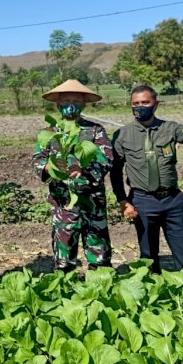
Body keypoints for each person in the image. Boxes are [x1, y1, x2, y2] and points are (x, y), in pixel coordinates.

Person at [111, 86, 183, 274]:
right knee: (148, 254)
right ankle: (152, 293)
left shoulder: (171, 128)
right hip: (142, 201)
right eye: (135, 103)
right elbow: (115, 172)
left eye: (145, 102)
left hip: (173, 201)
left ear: (156, 104)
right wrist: (123, 202)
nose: (140, 107)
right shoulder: (122, 135)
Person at [33, 80, 113, 271]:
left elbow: (106, 159)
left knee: (99, 252)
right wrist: (53, 169)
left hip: (92, 201)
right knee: (64, 255)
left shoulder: (95, 131)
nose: (71, 105)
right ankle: (65, 289)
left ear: (84, 104)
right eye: (66, 100)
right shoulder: (49, 133)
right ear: (58, 104)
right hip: (63, 202)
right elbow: (38, 160)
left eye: (76, 100)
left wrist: (83, 169)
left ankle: (101, 286)